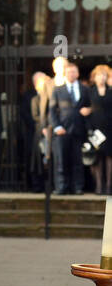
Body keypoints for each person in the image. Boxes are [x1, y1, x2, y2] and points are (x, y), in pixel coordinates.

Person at [50, 61, 92, 195]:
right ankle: (62, 187)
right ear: (65, 74)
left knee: (77, 160)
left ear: (78, 73)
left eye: (74, 71)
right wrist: (57, 127)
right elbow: (51, 111)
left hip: (79, 130)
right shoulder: (57, 90)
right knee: (62, 161)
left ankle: (77, 187)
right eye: (69, 72)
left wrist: (89, 110)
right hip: (62, 131)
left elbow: (91, 106)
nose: (72, 74)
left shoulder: (85, 89)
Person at [88, 65, 112, 195]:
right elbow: (85, 109)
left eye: (104, 75)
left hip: (109, 129)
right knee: (97, 157)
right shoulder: (89, 92)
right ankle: (98, 185)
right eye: (99, 75)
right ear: (94, 77)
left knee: (109, 157)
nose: (101, 77)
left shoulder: (111, 91)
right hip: (95, 129)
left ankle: (108, 185)